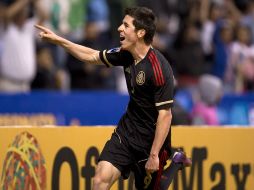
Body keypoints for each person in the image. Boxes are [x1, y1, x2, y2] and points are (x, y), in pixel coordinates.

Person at [35, 6, 189, 189]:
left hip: (151, 143)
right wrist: (59, 40)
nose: (119, 28)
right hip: (126, 134)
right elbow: (92, 56)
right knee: (100, 180)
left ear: (140, 33)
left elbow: (165, 115)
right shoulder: (126, 54)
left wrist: (155, 155)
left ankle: (175, 161)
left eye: (125, 25)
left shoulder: (159, 68)